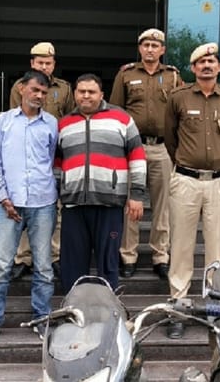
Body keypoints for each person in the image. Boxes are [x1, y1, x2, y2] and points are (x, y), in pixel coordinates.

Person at [163, 42, 220, 339]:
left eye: (212, 61)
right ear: (193, 68)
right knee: (181, 246)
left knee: (216, 247)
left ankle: (214, 307)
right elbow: (169, 137)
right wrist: (188, 162)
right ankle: (178, 307)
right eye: (201, 62)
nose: (207, 66)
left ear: (219, 67)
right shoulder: (178, 97)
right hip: (186, 180)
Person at [0, 70, 58, 344]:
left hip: (43, 203)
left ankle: (42, 318)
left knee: (43, 267)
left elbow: (50, 160)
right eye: (35, 90)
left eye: (44, 92)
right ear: (22, 88)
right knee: (1, 266)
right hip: (8, 204)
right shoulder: (4, 121)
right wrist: (3, 198)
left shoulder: (51, 124)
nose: (39, 96)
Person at [55, 73, 147, 293]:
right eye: (82, 91)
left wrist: (136, 194)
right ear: (75, 94)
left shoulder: (121, 119)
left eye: (91, 92)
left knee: (108, 264)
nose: (86, 96)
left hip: (109, 205)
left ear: (101, 94)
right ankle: (74, 307)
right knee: (72, 266)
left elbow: (137, 157)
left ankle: (109, 308)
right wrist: (58, 192)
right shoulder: (63, 124)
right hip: (74, 206)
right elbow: (56, 164)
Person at [109, 28, 183, 280]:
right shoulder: (126, 74)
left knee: (163, 206)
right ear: (139, 49)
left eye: (155, 45)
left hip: (163, 148)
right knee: (131, 203)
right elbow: (116, 112)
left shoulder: (173, 76)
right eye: (146, 45)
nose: (150, 49)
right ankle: (128, 255)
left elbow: (181, 112)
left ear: (162, 50)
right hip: (133, 147)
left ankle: (160, 256)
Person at [9, 41, 74, 281]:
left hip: (55, 156)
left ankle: (54, 256)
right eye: (40, 62)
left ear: (54, 64)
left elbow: (69, 120)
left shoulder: (64, 89)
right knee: (25, 206)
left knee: (57, 209)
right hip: (28, 156)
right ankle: (23, 257)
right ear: (32, 63)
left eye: (48, 63)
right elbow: (15, 122)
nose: (44, 66)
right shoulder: (19, 86)